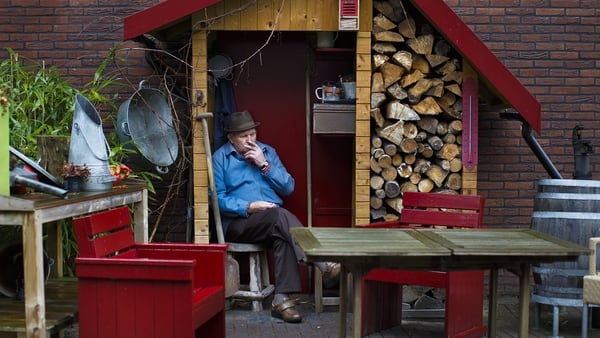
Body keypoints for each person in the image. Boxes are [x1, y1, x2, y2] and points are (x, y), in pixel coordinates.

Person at [212, 110, 340, 323]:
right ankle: (321, 262)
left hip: (272, 221)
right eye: (244, 136)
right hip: (239, 223)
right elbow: (218, 199)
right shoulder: (220, 159)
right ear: (231, 138)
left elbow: (288, 187)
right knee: (279, 217)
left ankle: (281, 301)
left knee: (282, 232)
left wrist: (265, 165)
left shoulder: (267, 152)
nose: (250, 140)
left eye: (253, 134)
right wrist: (249, 206)